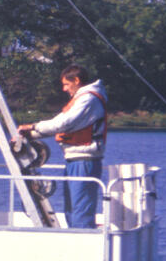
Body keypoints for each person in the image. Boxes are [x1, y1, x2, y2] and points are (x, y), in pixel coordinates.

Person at [17, 65, 107, 229]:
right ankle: (75, 237)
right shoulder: (81, 99)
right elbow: (60, 124)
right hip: (75, 160)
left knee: (80, 211)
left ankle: (83, 240)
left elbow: (63, 123)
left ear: (76, 80)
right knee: (71, 210)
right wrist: (30, 135)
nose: (64, 89)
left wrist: (33, 127)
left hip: (84, 161)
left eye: (66, 84)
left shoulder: (88, 99)